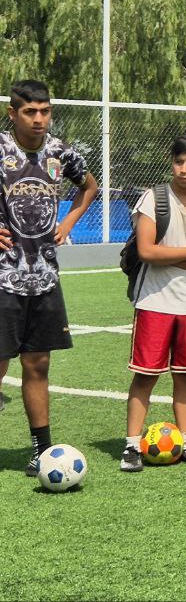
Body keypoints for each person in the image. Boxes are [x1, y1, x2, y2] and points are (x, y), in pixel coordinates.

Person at [0, 80, 98, 476]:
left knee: (38, 363)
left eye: (45, 111)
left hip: (43, 276)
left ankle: (41, 449)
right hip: (4, 276)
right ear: (13, 114)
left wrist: (70, 219)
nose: (39, 119)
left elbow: (89, 187)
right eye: (30, 112)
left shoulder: (60, 152)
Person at [120, 134, 186, 472]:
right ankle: (131, 445)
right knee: (145, 375)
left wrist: (172, 257)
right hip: (154, 301)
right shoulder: (154, 199)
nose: (183, 169)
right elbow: (147, 251)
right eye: (179, 162)